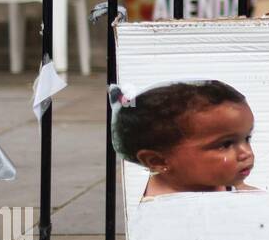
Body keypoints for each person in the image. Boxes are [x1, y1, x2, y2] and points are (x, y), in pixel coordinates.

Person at [110, 80, 259, 198]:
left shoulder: (221, 184)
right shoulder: (162, 209)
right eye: (226, 144)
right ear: (158, 161)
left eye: (247, 138)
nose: (246, 153)